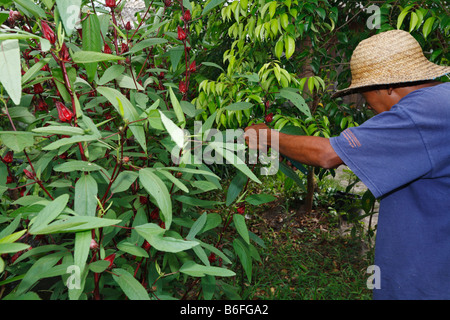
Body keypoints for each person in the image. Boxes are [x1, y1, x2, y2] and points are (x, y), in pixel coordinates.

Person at [244, 29, 450, 300]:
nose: (368, 107)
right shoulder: (442, 98)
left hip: (426, 283)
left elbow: (327, 155)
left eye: (366, 98)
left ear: (386, 87)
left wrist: (268, 136)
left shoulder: (418, 114)